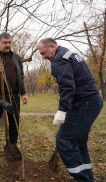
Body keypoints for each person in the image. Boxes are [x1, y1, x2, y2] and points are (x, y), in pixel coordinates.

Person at [38, 38, 103, 182]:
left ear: (52, 46)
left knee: (64, 140)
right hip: (92, 102)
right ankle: (87, 178)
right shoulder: (68, 54)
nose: (43, 57)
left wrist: (62, 110)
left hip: (84, 104)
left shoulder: (59, 59)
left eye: (44, 53)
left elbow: (67, 86)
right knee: (78, 143)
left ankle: (81, 179)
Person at [0, 33, 28, 158]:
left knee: (14, 122)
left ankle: (12, 145)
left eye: (9, 42)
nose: (8, 45)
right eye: (5, 43)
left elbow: (21, 76)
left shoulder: (16, 57)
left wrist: (23, 93)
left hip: (14, 95)